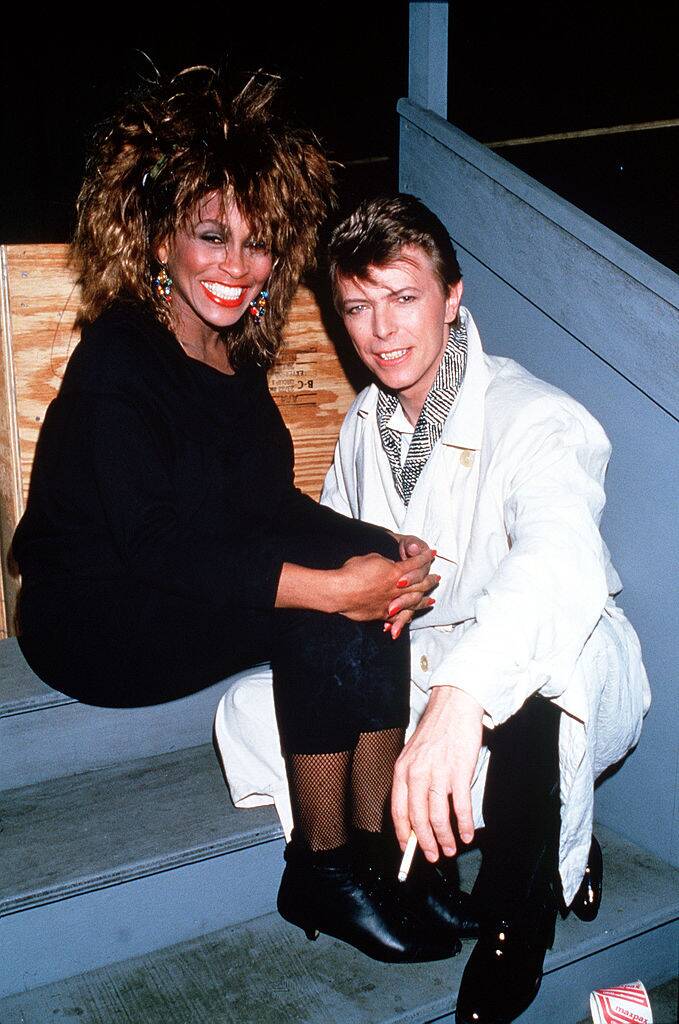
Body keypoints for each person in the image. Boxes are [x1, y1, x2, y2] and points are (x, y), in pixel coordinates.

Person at [10, 74, 466, 965]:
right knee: (320, 609)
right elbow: (153, 545)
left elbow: (263, 506)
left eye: (257, 245)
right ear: (157, 236)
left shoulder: (229, 352)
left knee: (364, 572)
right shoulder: (118, 363)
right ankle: (324, 870)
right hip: (91, 617)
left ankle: (382, 857)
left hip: (175, 579)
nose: (236, 267)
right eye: (212, 236)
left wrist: (374, 547)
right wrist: (330, 586)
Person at [215, 194, 650, 1024]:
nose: (381, 330)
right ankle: (404, 862)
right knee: (251, 709)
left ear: (453, 297)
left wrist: (461, 699)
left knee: (545, 674)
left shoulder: (537, 416)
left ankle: (517, 918)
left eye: (404, 298)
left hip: (536, 675)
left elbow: (557, 565)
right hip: (422, 667)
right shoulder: (360, 426)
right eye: (357, 306)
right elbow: (339, 567)